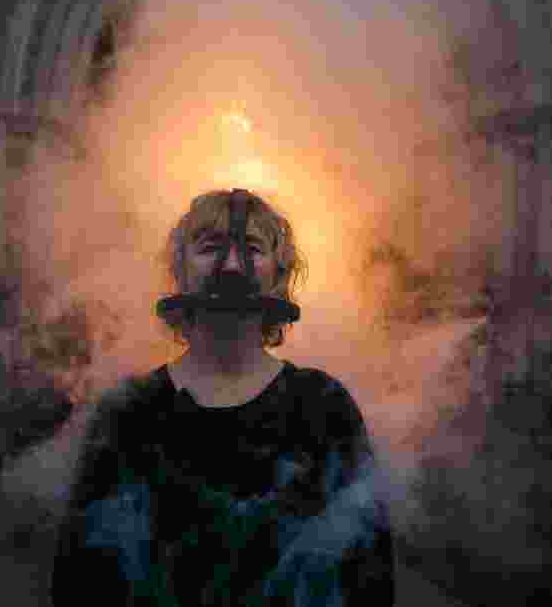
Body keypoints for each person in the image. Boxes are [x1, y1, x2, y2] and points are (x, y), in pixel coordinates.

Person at [51, 189, 396, 606]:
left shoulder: (323, 408)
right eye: (210, 247)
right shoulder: (129, 413)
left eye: (252, 248)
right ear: (179, 269)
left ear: (279, 272)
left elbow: (369, 579)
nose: (232, 266)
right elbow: (80, 582)